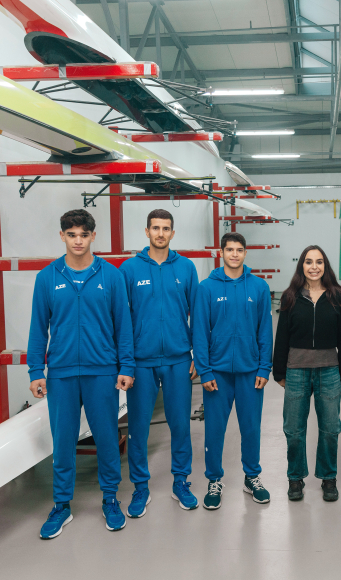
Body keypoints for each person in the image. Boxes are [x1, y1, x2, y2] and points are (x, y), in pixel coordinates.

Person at [26, 209, 133, 539]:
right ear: (62, 236)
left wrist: (127, 366)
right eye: (71, 235)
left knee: (106, 439)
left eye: (83, 235)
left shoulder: (111, 276)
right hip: (61, 374)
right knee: (63, 442)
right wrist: (35, 370)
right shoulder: (47, 277)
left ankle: (110, 498)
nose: (77, 241)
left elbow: (123, 325)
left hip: (102, 371)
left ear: (93, 236)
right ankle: (61, 505)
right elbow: (38, 328)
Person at [119, 209, 200, 517]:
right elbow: (121, 319)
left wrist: (198, 356)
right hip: (142, 362)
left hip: (178, 360)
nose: (161, 233)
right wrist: (126, 363)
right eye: (156, 228)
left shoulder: (186, 268)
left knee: (180, 425)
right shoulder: (129, 269)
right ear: (147, 231)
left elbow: (197, 314)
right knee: (138, 428)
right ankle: (141, 487)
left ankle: (181, 482)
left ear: (173, 233)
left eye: (166, 228)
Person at [192, 232, 274, 509]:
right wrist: (205, 371)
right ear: (222, 252)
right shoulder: (206, 288)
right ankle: (214, 479)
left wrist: (264, 367)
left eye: (239, 250)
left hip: (251, 371)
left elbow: (265, 332)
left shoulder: (259, 287)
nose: (235, 254)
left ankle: (252, 477)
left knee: (251, 428)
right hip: (217, 373)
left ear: (245, 253)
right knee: (215, 429)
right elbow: (200, 332)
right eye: (230, 250)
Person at [273, 245, 341, 502]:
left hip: (329, 371)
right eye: (309, 262)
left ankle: (328, 477)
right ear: (302, 266)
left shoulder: (337, 296)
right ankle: (295, 477)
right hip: (296, 371)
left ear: (325, 266)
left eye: (319, 262)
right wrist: (279, 372)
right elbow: (281, 336)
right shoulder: (290, 296)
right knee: (293, 429)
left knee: (330, 428)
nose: (314, 267)